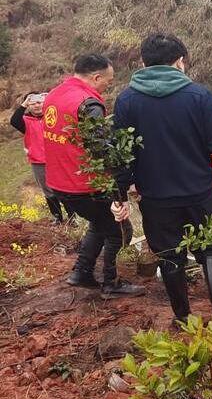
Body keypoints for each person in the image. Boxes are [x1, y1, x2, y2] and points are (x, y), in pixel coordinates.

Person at [112, 33, 212, 326]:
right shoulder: (199, 96)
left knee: (168, 253)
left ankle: (182, 316)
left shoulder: (127, 100)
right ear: (179, 62)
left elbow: (120, 153)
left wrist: (119, 194)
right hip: (197, 192)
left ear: (143, 62)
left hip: (155, 197)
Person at [42, 54, 145, 297]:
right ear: (96, 77)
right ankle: (110, 283)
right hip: (85, 184)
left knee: (100, 223)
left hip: (60, 182)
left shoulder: (54, 95)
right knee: (119, 230)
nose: (108, 86)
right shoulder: (89, 105)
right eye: (107, 81)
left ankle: (82, 272)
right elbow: (104, 151)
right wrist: (119, 192)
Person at [10, 90, 66, 223]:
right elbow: (14, 121)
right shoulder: (26, 121)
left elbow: (64, 109)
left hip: (57, 159)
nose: (36, 105)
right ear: (28, 105)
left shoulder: (52, 116)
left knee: (64, 188)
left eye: (39, 102)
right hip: (38, 161)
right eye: (33, 103)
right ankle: (57, 217)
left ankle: (72, 217)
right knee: (48, 191)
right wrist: (23, 104)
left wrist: (51, 99)